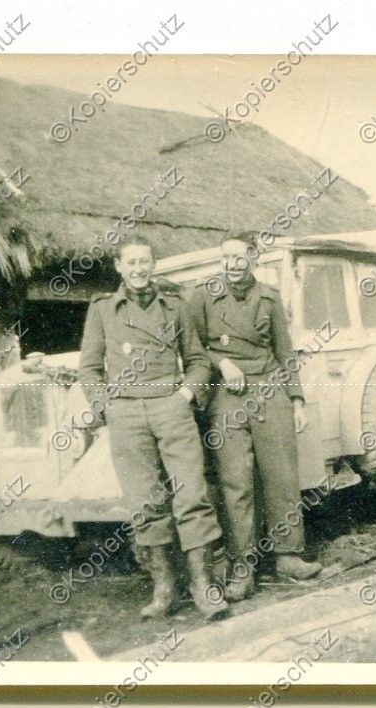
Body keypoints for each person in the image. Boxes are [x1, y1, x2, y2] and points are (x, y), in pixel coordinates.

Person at [78, 236, 228, 621]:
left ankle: (203, 585)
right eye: (131, 262)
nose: (138, 269)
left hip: (170, 407)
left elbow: (198, 360)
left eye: (144, 261)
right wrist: (106, 406)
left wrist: (185, 396)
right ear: (118, 266)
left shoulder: (175, 306)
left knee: (192, 494)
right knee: (145, 502)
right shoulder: (102, 309)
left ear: (153, 264)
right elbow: (89, 368)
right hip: (126, 413)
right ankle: (164, 588)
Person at [189, 232, 322, 602]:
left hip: (270, 390)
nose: (232, 264)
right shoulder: (202, 296)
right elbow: (193, 348)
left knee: (282, 475)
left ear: (253, 258)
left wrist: (297, 400)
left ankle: (289, 556)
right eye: (226, 257)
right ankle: (242, 567)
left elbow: (285, 352)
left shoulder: (269, 297)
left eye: (239, 257)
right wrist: (222, 362)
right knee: (236, 481)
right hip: (227, 394)